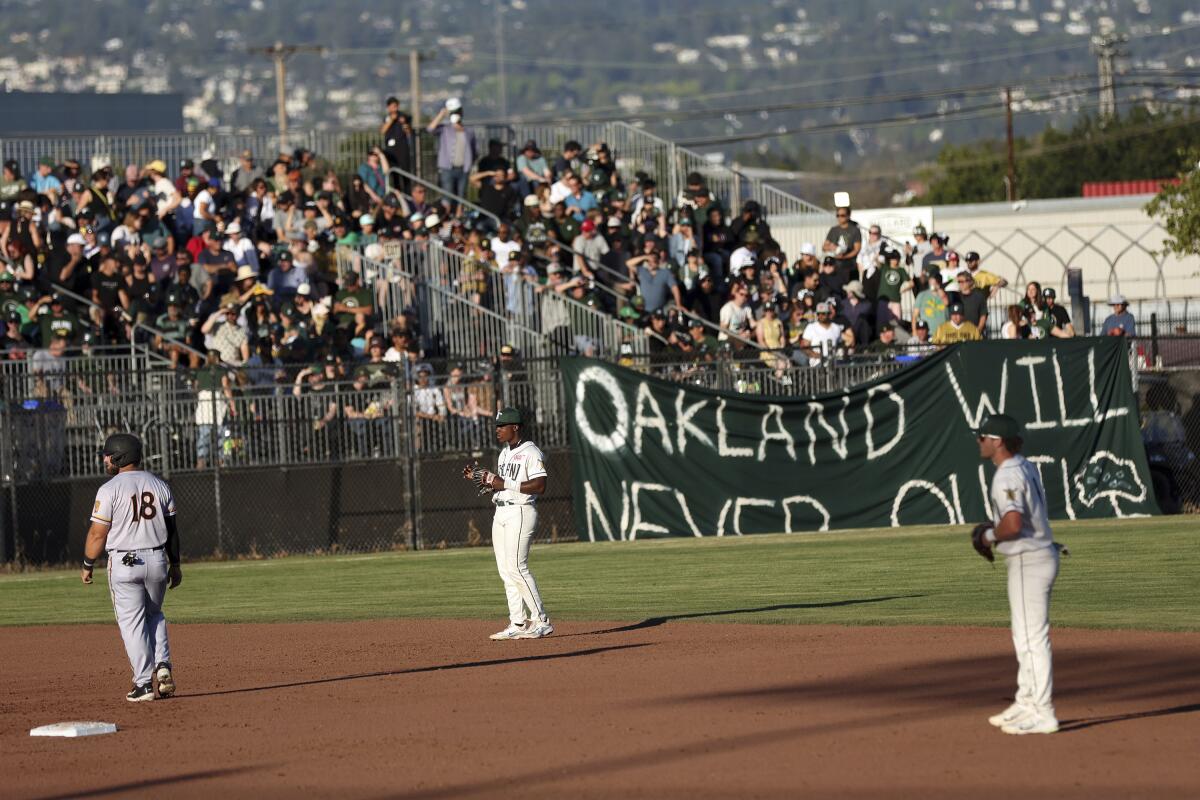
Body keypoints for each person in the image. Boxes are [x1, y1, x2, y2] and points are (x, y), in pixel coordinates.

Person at [972, 413, 1062, 735]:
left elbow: (1011, 524)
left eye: (981, 437)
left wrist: (988, 537)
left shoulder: (1006, 474)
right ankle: (1026, 702)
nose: (978, 442)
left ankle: (1043, 711)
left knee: (1031, 638)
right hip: (1040, 554)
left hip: (1028, 560)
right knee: (1024, 635)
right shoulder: (1025, 465)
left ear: (996, 442)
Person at [80, 433, 182, 702]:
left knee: (132, 623)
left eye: (108, 455)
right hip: (158, 560)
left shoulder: (109, 489)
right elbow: (172, 532)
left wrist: (87, 564)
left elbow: (97, 534)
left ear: (119, 457)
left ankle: (143, 684)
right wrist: (176, 564)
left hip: (125, 563)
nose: (105, 459)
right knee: (154, 615)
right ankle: (162, 668)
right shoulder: (160, 485)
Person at [462, 407, 553, 641]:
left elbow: (540, 486)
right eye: (497, 426)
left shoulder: (531, 451)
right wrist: (482, 478)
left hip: (520, 511)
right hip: (501, 512)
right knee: (506, 571)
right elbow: (500, 483)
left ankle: (541, 621)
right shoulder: (504, 454)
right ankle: (518, 622)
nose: (498, 430)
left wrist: (502, 483)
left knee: (517, 568)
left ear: (515, 427)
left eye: (502, 426)